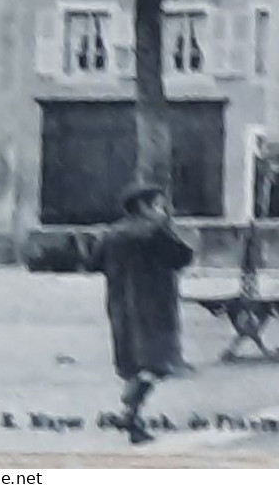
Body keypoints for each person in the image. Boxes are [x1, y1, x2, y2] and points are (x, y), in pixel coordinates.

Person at [87, 183, 195, 445]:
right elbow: (183, 257)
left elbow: (93, 263)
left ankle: (131, 415)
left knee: (132, 364)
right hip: (154, 308)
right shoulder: (156, 232)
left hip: (121, 307)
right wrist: (170, 229)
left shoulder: (112, 233)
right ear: (144, 207)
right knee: (155, 365)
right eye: (158, 205)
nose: (163, 210)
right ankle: (131, 411)